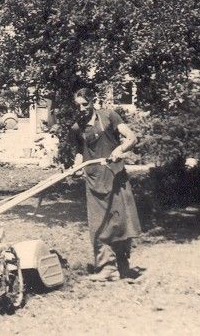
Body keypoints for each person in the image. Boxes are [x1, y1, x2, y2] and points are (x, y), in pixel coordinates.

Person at [70, 87, 141, 282]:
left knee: (120, 222)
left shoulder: (109, 116)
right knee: (99, 224)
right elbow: (79, 152)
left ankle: (123, 266)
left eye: (86, 104)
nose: (82, 108)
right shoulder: (77, 127)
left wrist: (120, 148)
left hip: (115, 177)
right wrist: (76, 167)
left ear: (94, 101)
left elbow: (131, 138)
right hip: (94, 181)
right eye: (78, 106)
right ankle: (106, 268)